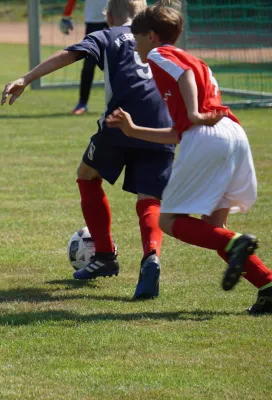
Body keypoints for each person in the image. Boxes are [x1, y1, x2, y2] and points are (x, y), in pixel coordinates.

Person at [105, 0, 272, 314]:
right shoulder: (197, 61)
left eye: (136, 37)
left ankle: (239, 245)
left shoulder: (159, 55)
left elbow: (185, 85)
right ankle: (267, 285)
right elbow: (178, 132)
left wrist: (194, 113)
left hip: (208, 137)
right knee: (214, 229)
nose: (135, 44)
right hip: (232, 134)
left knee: (168, 220)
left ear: (152, 37)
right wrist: (133, 129)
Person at [2, 0, 175, 299]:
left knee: (87, 174)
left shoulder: (107, 35)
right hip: (163, 125)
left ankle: (105, 256)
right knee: (150, 197)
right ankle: (151, 258)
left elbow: (69, 55)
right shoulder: (157, 36)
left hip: (121, 120)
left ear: (108, 16)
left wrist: (26, 78)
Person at [59, 0, 109, 115]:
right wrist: (66, 15)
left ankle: (121, 104)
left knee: (118, 62)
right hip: (93, 21)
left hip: (116, 19)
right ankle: (82, 103)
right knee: (89, 64)